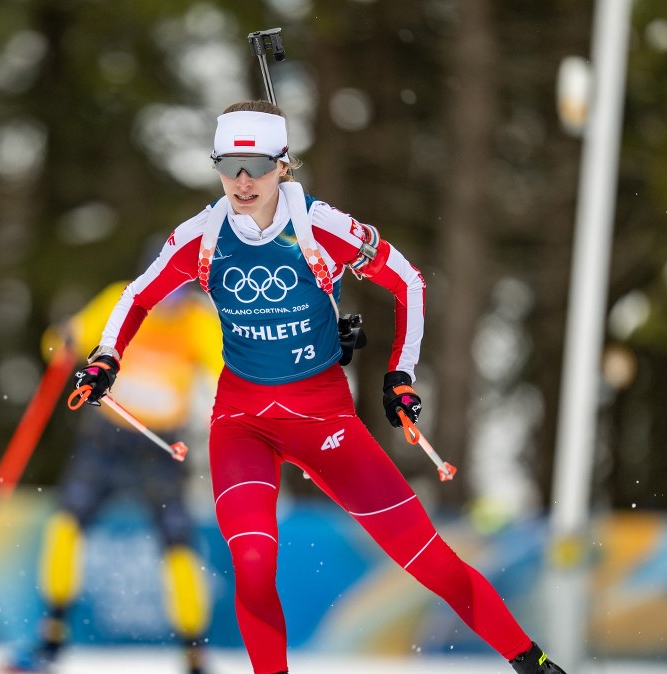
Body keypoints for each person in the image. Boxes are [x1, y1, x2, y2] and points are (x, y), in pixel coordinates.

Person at [67, 101, 567, 674]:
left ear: (285, 165)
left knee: (427, 558)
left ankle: (532, 661)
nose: (243, 180)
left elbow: (408, 282)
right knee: (253, 561)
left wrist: (400, 373)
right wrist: (107, 358)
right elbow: (137, 297)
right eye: (229, 165)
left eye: (256, 165)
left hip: (324, 419)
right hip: (242, 421)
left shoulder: (319, 227)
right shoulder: (200, 236)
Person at [7, 280, 223, 674]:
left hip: (159, 448)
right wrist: (66, 339)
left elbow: (225, 366)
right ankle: (50, 636)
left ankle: (195, 652)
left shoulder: (196, 320)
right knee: (66, 523)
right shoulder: (123, 298)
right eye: (161, 297)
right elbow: (60, 343)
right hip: (105, 441)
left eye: (175, 298)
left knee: (178, 543)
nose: (165, 308)